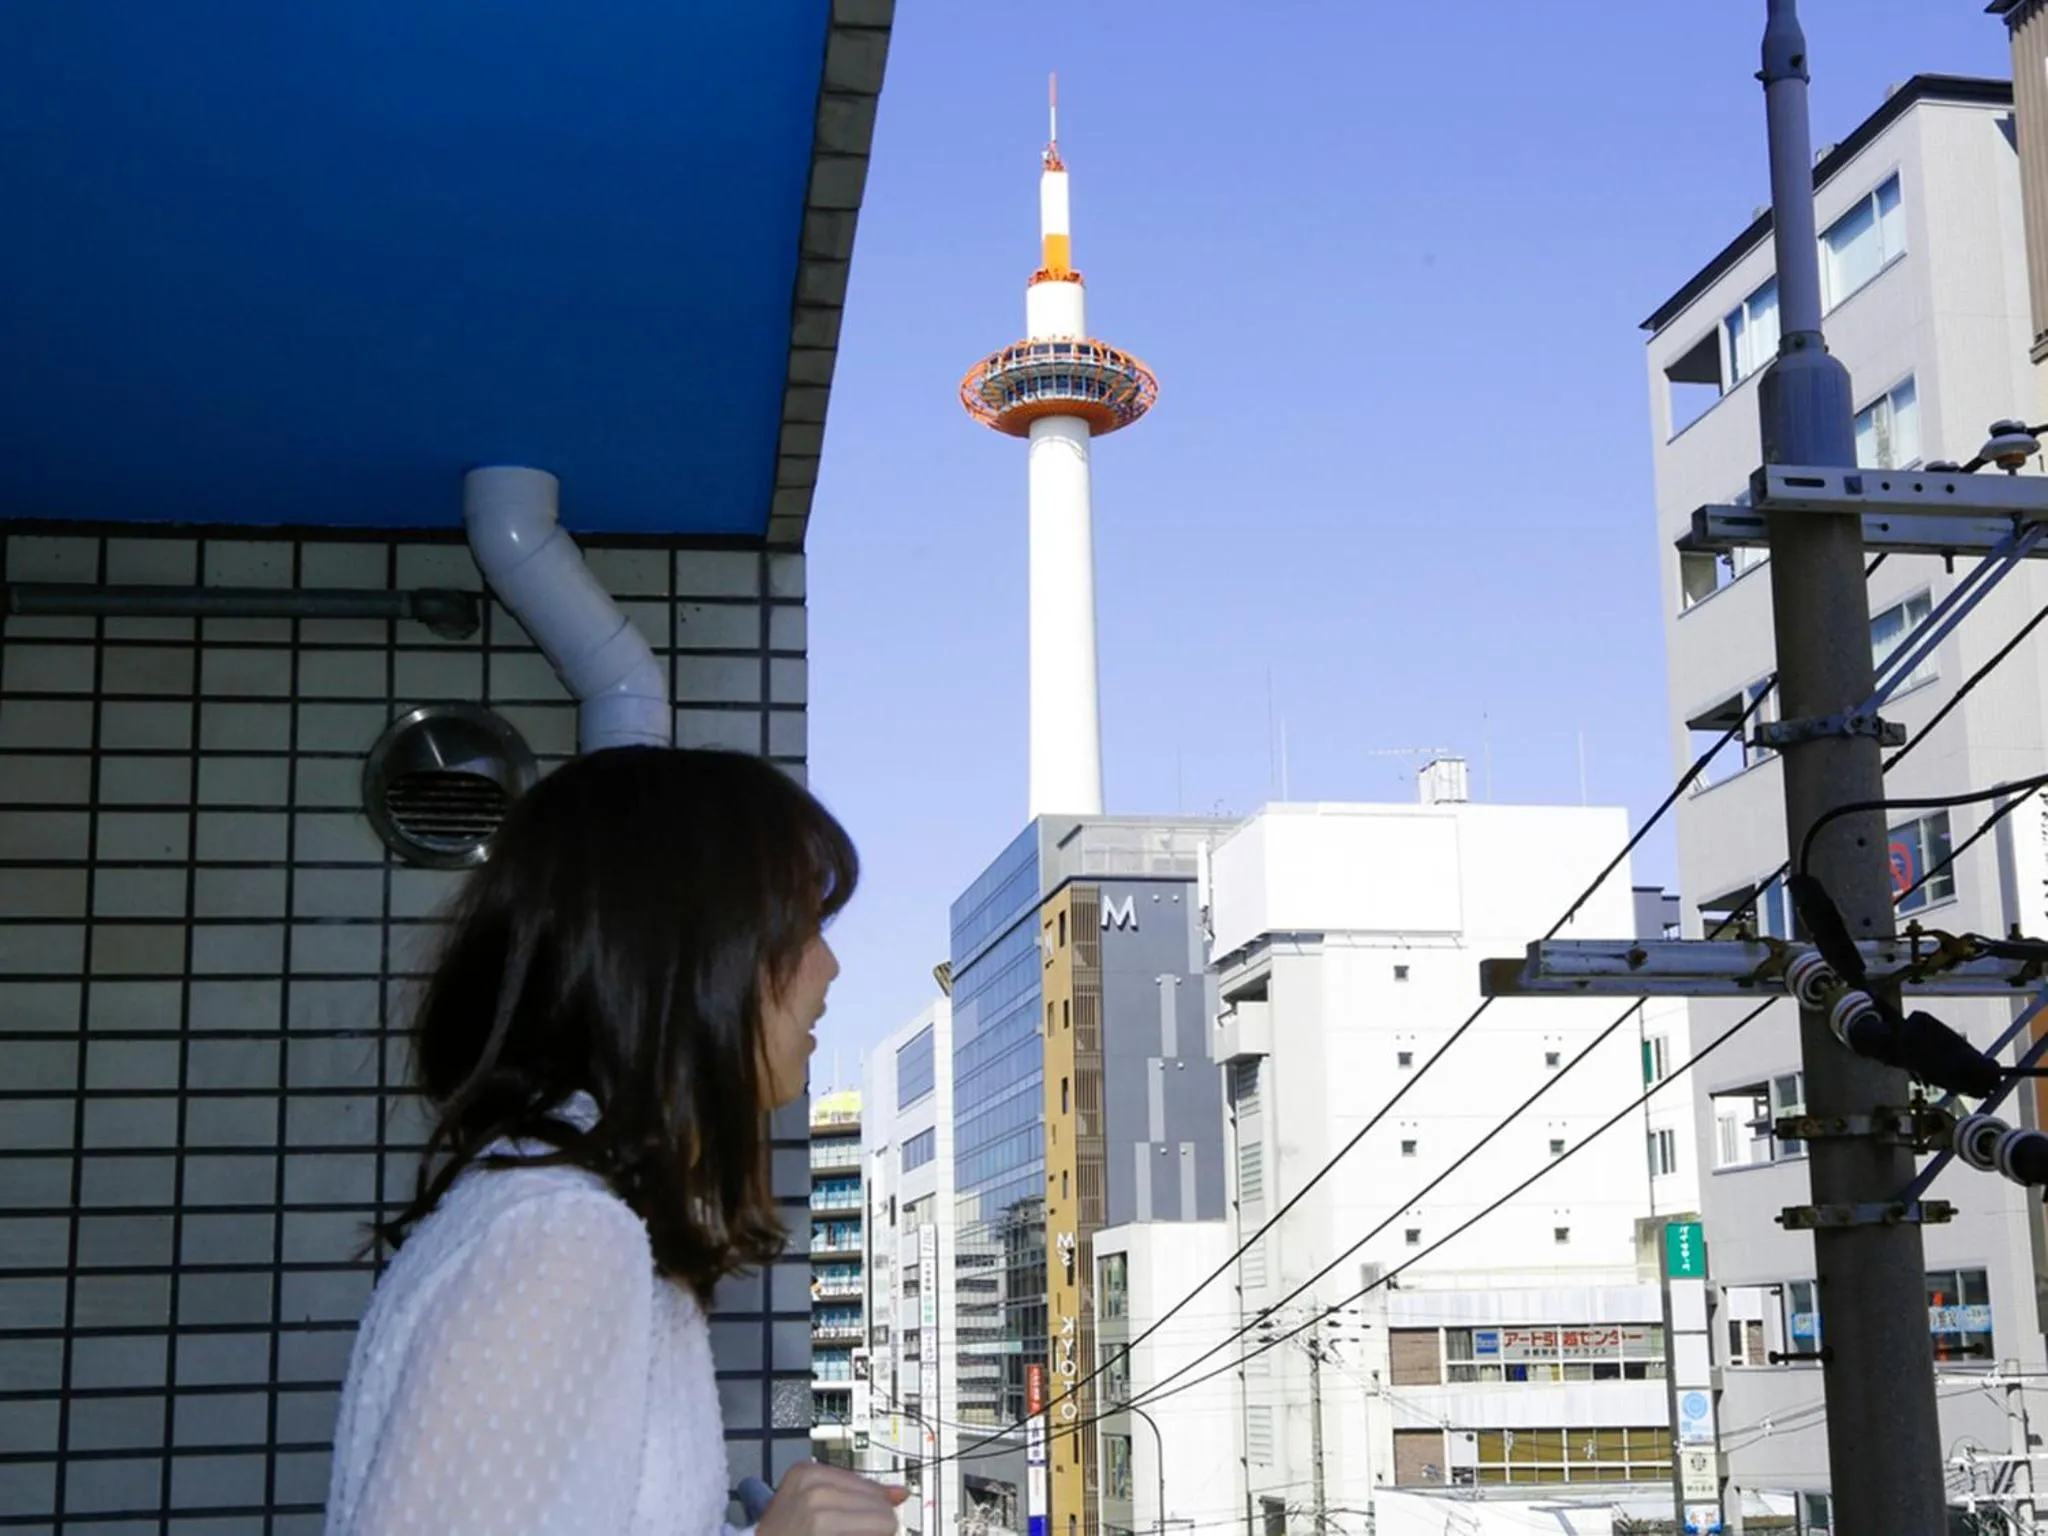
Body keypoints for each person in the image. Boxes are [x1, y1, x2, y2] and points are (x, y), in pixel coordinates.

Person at [325, 747, 908, 1536]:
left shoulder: (574, 1211)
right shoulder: (563, 1238)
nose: (831, 966)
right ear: (693, 950)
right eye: (801, 924)